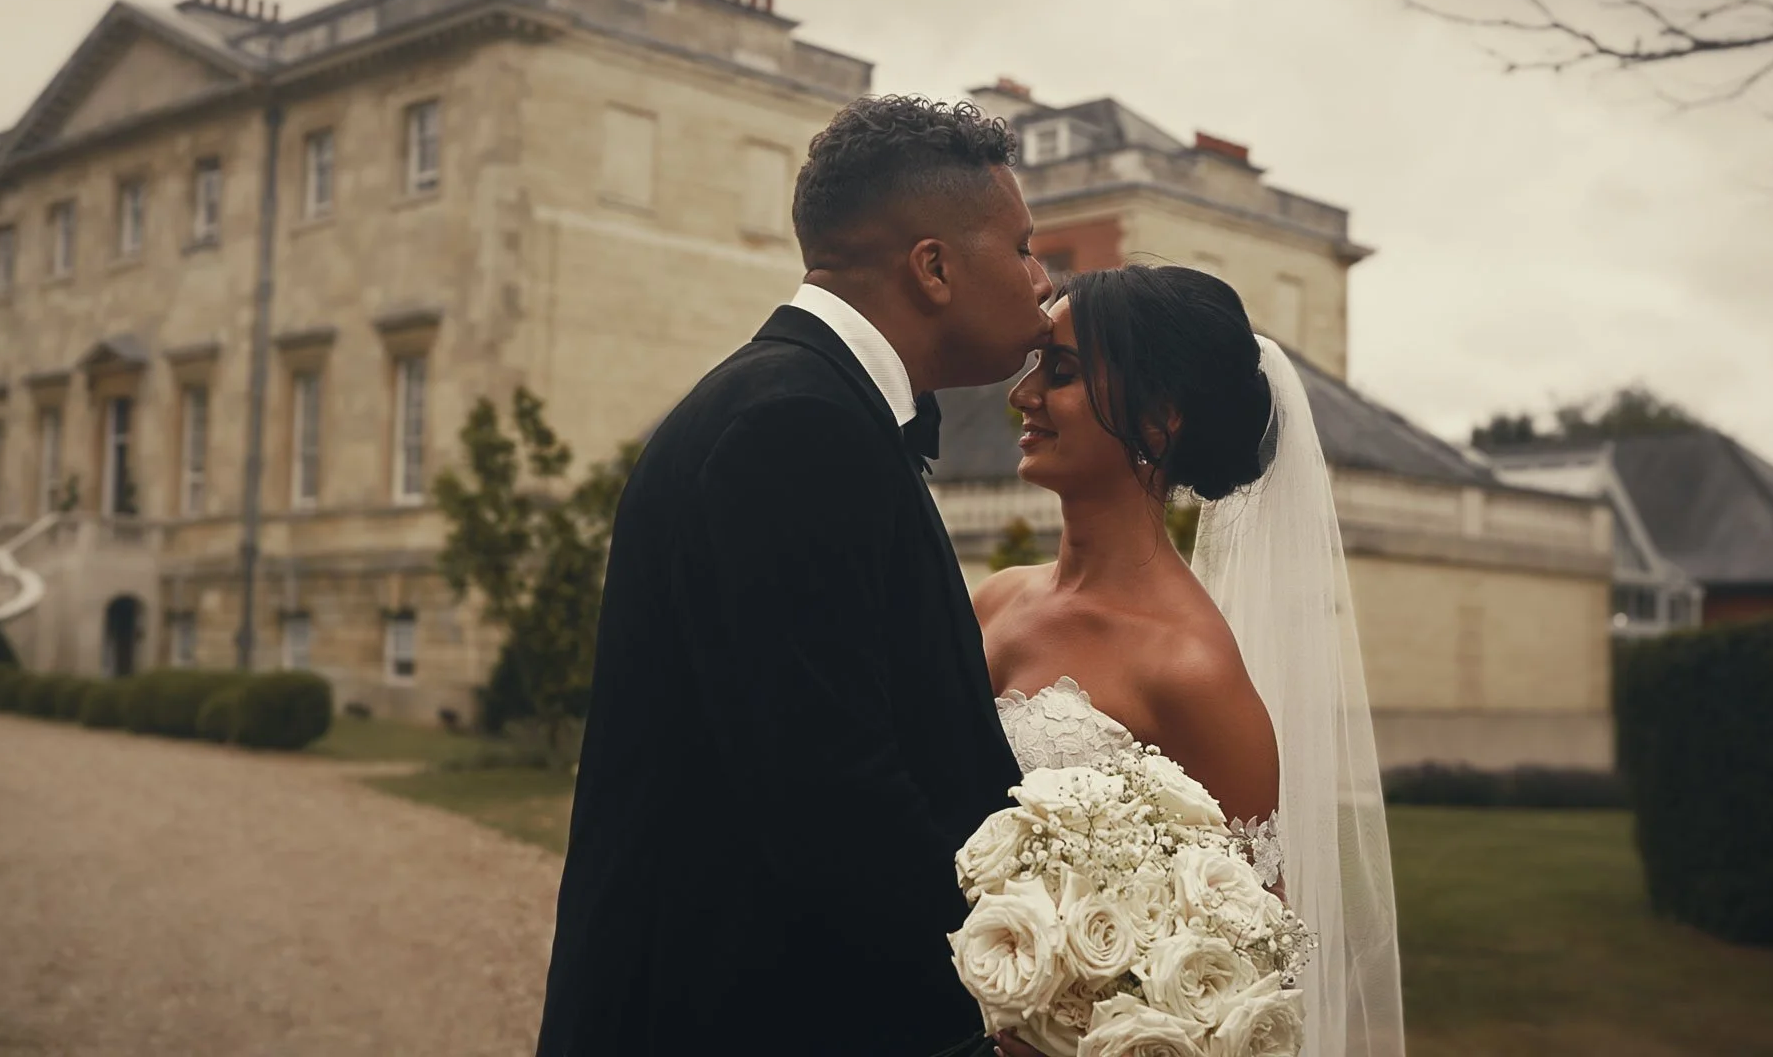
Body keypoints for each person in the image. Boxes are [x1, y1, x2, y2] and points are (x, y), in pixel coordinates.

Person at [534, 96, 1055, 1057]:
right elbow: (833, 798)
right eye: (1023, 247)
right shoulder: (793, 429)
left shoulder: (802, 404)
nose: (1042, 278)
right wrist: (1009, 990)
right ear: (933, 268)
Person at [978, 265, 1407, 1057]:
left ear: (1157, 421)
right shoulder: (994, 599)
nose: (1023, 393)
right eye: (1037, 364)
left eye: (1062, 372)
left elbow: (1242, 963)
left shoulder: (1192, 669)